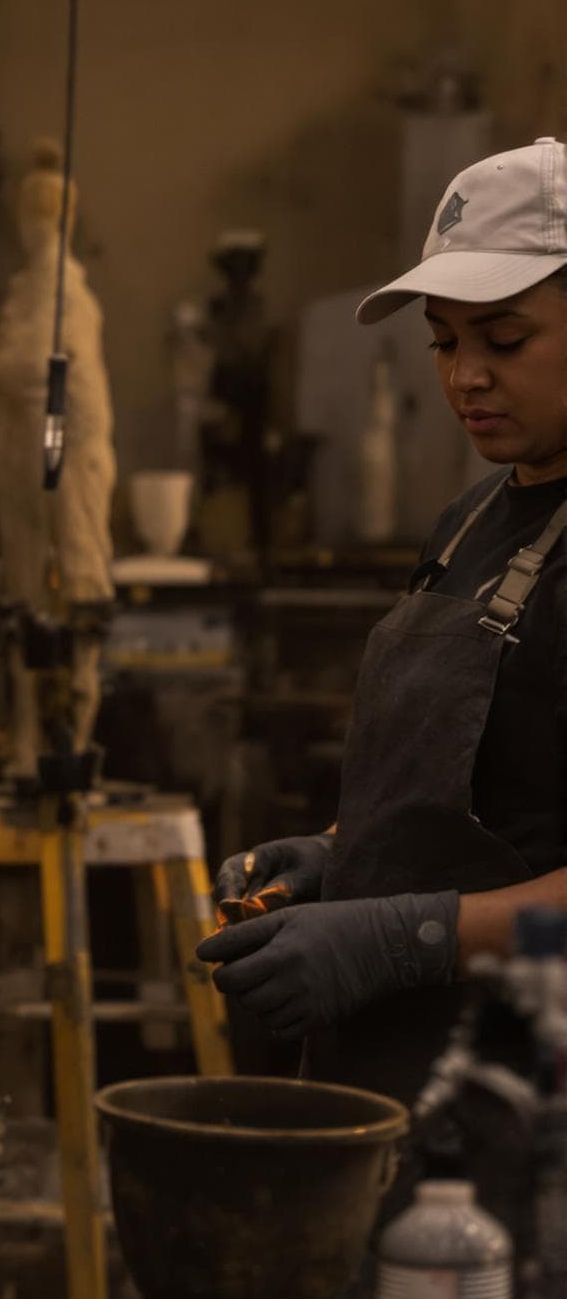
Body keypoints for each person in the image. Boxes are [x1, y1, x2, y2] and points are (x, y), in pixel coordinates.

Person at [202, 137, 567, 1096]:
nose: (464, 378)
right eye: (444, 342)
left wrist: (402, 935)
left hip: (531, 1090)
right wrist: (340, 858)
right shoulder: (472, 521)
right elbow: (489, 799)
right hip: (397, 1078)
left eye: (504, 338)